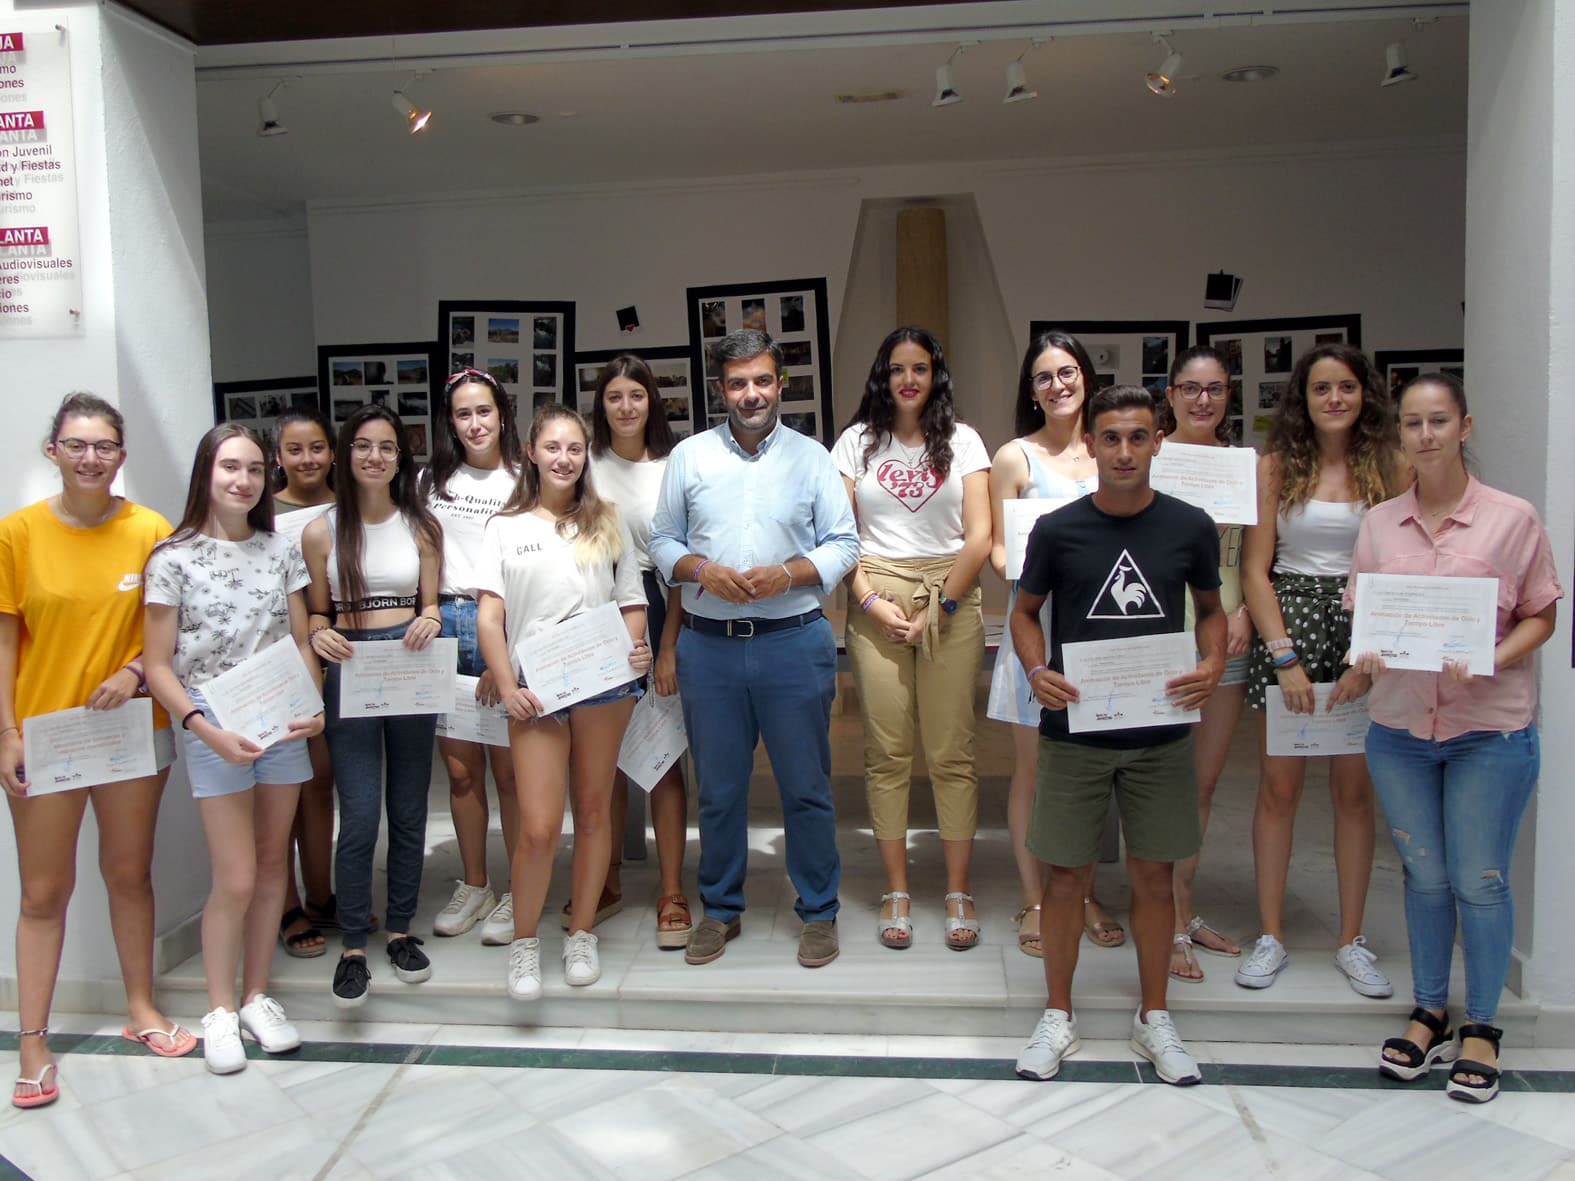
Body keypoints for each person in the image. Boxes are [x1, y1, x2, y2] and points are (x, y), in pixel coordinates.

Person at [1349, 373, 1560, 1103]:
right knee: (1424, 876)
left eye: (1438, 421)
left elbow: (1542, 615)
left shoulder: (1512, 518)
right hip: (1400, 728)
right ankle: (1429, 1010)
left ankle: (1483, 1024)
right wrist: (1364, 653)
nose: (1425, 435)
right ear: (1398, 435)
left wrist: (1491, 656)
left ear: (1463, 426)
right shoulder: (1378, 524)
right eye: (1411, 424)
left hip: (1487, 729)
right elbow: (1365, 618)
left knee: (1479, 878)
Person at [1011, 384, 1224, 1087]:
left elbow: (1211, 610)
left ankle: (1153, 1013)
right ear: (1092, 445)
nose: (1124, 451)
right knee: (1065, 875)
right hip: (1074, 728)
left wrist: (1212, 660)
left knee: (1153, 875)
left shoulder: (1190, 526)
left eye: (1137, 436)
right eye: (1110, 437)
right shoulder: (1057, 529)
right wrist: (1036, 666)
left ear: (1157, 440)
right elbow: (1023, 613)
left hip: (1159, 730)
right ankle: (1057, 1012)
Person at [0, 393, 196, 1110]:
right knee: (43, 893)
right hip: (44, 738)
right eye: (76, 444)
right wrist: (6, 732)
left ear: (121, 454)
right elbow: (4, 641)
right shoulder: (15, 534)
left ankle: (141, 1008)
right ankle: (32, 1042)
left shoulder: (151, 531)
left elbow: (172, 630)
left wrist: (136, 670)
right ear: (51, 449)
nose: (90, 457)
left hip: (129, 735)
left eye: (103, 445)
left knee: (128, 872)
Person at [649, 328, 859, 969]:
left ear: (780, 384)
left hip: (793, 643)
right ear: (721, 390)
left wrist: (788, 574)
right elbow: (660, 540)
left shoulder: (812, 458)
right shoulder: (688, 456)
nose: (751, 394)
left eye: (762, 381)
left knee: (806, 788)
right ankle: (719, 909)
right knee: (718, 790)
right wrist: (696, 570)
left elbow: (844, 544)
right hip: (709, 648)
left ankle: (819, 912)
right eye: (737, 383)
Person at [143, 424, 323, 1075]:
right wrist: (202, 727)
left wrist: (312, 701)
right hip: (214, 722)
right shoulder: (172, 557)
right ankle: (218, 1009)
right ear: (206, 474)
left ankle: (255, 996)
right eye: (229, 468)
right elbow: (157, 664)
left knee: (276, 864)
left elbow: (301, 638)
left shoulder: (282, 549)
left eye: (253, 468)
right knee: (238, 874)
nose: (242, 480)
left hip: (280, 717)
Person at [1237, 344, 1402, 996]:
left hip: (1365, 630)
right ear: (1301, 400)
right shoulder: (1275, 468)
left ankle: (1350, 940)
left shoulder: (1390, 466)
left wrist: (1376, 649)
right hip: (1292, 624)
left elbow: (1403, 561)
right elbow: (1254, 567)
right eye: (1320, 388)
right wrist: (1284, 659)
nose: (1334, 398)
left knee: (1352, 793)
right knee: (1278, 789)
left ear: (1364, 394)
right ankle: (1271, 933)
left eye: (1346, 387)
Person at [474, 404, 649, 999]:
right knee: (540, 827)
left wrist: (637, 647)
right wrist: (507, 684)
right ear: (531, 451)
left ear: (586, 455)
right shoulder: (505, 526)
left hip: (603, 684)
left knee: (596, 812)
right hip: (536, 694)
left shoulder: (608, 519)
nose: (564, 458)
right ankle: (526, 944)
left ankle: (580, 932)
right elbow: (491, 618)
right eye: (553, 447)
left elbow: (631, 599)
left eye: (575, 448)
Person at [835, 327, 990, 951]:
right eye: (897, 368)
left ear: (936, 375)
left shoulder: (965, 439)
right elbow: (840, 536)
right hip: (877, 597)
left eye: (920, 368)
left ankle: (957, 891)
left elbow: (979, 536)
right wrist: (869, 601)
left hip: (950, 596)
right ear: (882, 374)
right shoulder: (853, 444)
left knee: (952, 752)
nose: (908, 380)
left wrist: (944, 604)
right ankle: (896, 890)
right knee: (888, 753)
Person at [986, 330, 1122, 958]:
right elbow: (994, 548)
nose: (1058, 385)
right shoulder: (1014, 457)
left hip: (1105, 632)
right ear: (1031, 389)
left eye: (1067, 372)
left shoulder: (1111, 452)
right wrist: (1028, 563)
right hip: (1035, 628)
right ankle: (1037, 899)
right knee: (1035, 772)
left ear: (1086, 377)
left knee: (1091, 775)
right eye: (1044, 377)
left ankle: (1085, 892)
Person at [302, 405, 443, 1008]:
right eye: (363, 446)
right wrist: (317, 632)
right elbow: (313, 609)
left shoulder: (421, 526)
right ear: (344, 453)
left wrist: (431, 617)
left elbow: (431, 604)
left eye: (386, 447)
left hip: (409, 664)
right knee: (359, 814)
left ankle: (401, 928)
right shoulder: (320, 530)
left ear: (400, 458)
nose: (374, 457)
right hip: (352, 666)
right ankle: (353, 941)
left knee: (409, 808)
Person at [585, 355, 691, 948]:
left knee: (664, 755)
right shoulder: (586, 465)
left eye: (637, 395)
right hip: (594, 609)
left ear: (653, 402)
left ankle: (672, 887)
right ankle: (605, 878)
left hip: (657, 604)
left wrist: (668, 644)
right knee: (601, 758)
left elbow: (679, 570)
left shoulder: (674, 468)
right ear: (601, 405)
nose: (626, 407)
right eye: (614, 396)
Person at [420, 369, 522, 946]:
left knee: (509, 771)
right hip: (444, 625)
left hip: (500, 624)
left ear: (502, 415)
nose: (475, 423)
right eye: (463, 414)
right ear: (450, 422)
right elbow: (424, 553)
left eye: (484, 411)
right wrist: (428, 610)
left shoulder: (522, 481)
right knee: (461, 771)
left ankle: (514, 890)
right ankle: (476, 883)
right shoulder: (429, 481)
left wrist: (499, 656)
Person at [1156, 347, 1249, 982]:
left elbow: (1255, 554)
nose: (1202, 400)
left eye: (1214, 389)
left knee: (1203, 785)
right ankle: (1162, 916)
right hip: (1161, 635)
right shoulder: (1150, 456)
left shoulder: (1247, 466)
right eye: (1190, 388)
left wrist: (1244, 614)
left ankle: (1184, 910)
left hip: (1227, 636)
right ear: (1171, 394)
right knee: (1162, 784)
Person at [271, 410, 339, 959]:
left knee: (322, 781)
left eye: (317, 447)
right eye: (295, 450)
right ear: (278, 457)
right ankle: (288, 904)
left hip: (343, 654)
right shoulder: (260, 511)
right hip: (278, 658)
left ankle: (323, 894)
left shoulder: (351, 507)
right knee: (288, 782)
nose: (308, 459)